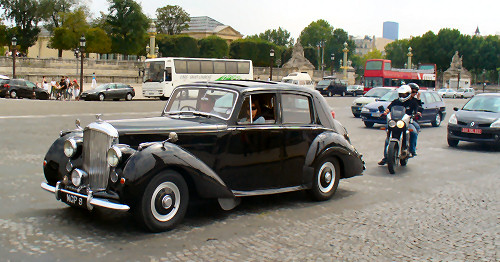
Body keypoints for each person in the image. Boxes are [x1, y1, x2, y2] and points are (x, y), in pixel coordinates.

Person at [378, 85, 422, 165]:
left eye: (404, 94)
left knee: (414, 132)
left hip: (407, 122)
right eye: (401, 94)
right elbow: (389, 108)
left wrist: (417, 113)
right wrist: (385, 112)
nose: (402, 96)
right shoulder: (396, 101)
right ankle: (386, 157)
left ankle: (412, 150)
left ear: (408, 94)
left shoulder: (413, 102)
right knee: (388, 139)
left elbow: (417, 110)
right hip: (395, 122)